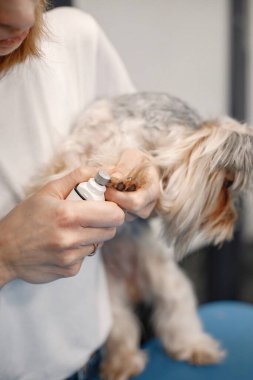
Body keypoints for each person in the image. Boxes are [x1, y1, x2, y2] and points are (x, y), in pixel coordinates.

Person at [0, 1, 160, 379]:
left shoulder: (74, 38)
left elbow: (141, 144)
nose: (23, 18)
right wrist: (6, 255)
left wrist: (147, 173)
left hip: (85, 358)